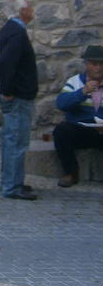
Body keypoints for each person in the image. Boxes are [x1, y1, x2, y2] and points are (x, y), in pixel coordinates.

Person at [0, 0, 38, 200]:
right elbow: (4, 63)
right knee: (16, 141)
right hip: (17, 96)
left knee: (13, 139)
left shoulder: (12, 30)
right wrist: (7, 89)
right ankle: (12, 186)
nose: (32, 10)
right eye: (29, 7)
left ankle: (12, 181)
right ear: (22, 11)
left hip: (17, 94)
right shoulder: (17, 33)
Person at [53, 44, 103, 188]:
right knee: (62, 131)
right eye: (94, 64)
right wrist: (82, 92)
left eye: (101, 64)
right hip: (83, 130)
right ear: (86, 64)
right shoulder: (75, 82)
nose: (98, 68)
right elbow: (61, 104)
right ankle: (70, 173)